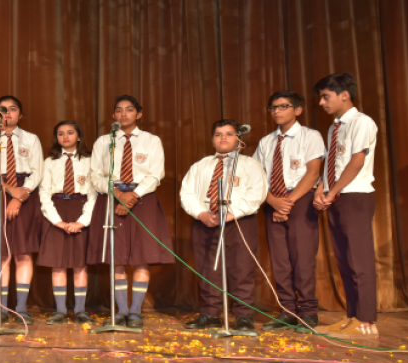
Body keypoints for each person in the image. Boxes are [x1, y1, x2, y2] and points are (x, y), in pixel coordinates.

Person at [87, 95, 174, 328]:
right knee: (117, 258)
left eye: (129, 109)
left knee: (141, 258)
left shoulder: (151, 140)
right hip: (112, 198)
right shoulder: (103, 141)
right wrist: (117, 193)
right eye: (119, 110)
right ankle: (122, 311)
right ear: (113, 115)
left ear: (139, 114)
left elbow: (156, 174)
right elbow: (95, 175)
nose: (123, 114)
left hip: (142, 198)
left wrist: (132, 196)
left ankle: (135, 311)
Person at [181, 119, 267, 332]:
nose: (223, 138)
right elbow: (187, 193)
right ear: (212, 140)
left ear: (238, 138)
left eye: (229, 134)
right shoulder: (200, 166)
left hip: (239, 222)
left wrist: (232, 213)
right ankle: (210, 313)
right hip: (206, 222)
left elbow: (257, 193)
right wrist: (201, 213)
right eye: (218, 134)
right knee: (208, 270)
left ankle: (244, 316)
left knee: (242, 269)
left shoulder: (250, 165)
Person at [312, 73, 379, 339]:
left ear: (344, 95)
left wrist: (333, 191)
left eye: (325, 96)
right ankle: (352, 316)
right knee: (344, 260)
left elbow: (356, 161)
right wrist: (321, 189)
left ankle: (366, 320)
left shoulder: (361, 122)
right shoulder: (334, 127)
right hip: (337, 196)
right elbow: (332, 164)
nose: (321, 103)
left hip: (354, 195)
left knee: (359, 260)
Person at [254, 91, 324, 331]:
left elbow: (313, 173)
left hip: (300, 199)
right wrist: (273, 202)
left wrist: (288, 203)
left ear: (298, 110)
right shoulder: (266, 142)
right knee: (280, 260)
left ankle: (308, 312)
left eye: (283, 106)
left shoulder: (310, 136)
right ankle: (288, 311)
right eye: (273, 107)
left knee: (303, 258)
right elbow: (257, 176)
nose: (277, 111)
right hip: (272, 201)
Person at [0, 96, 43, 324]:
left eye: (13, 109)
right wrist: (8, 190)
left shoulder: (31, 139)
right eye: (2, 109)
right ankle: (1, 308)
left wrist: (19, 196)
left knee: (23, 253)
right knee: (1, 253)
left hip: (25, 193)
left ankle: (21, 308)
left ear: (20, 115)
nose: (7, 113)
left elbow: (37, 171)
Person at [39, 121, 96, 325]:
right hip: (56, 211)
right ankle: (60, 310)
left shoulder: (90, 161)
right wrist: (57, 221)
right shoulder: (49, 162)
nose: (65, 137)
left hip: (81, 209)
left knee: (80, 264)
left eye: (70, 133)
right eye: (61, 133)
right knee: (58, 264)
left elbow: (94, 194)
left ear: (78, 136)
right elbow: (44, 193)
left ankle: (80, 310)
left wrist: (82, 221)